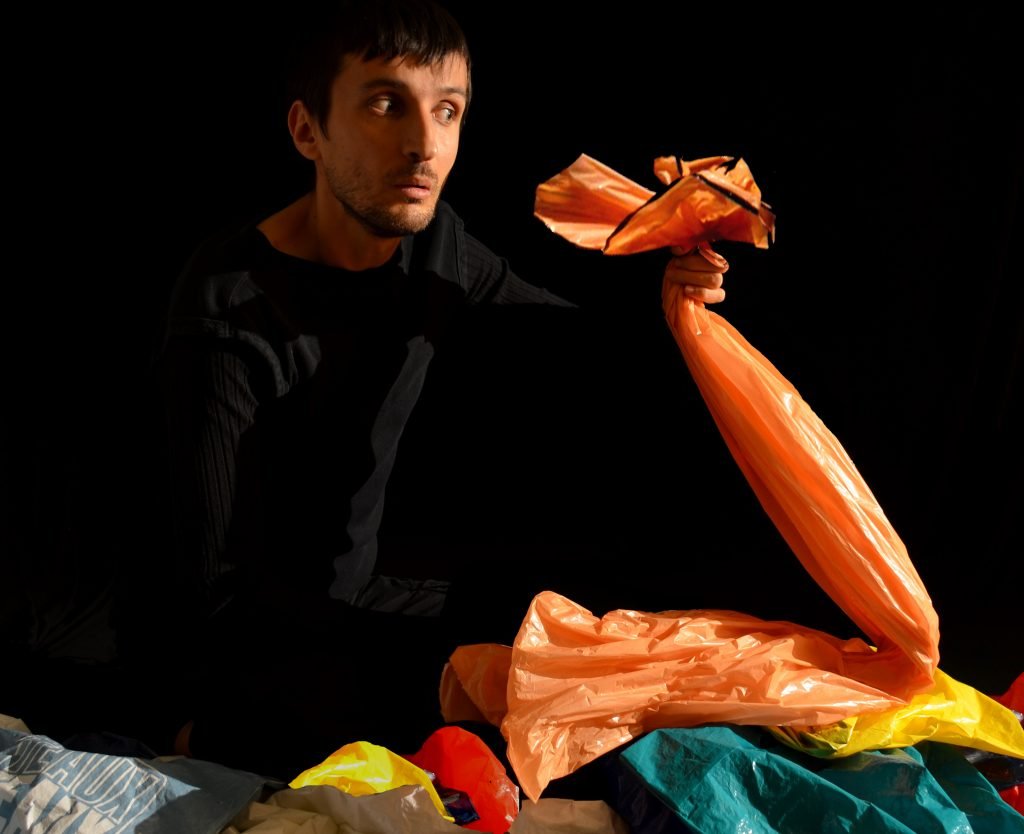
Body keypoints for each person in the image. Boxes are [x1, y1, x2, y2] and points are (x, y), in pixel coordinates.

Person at [130, 0, 729, 779]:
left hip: (359, 598)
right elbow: (208, 592)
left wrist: (675, 281)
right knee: (474, 732)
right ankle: (192, 736)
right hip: (244, 637)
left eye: (446, 111)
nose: (423, 146)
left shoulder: (438, 244)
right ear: (308, 131)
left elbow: (575, 338)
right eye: (386, 105)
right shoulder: (226, 309)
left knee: (593, 646)